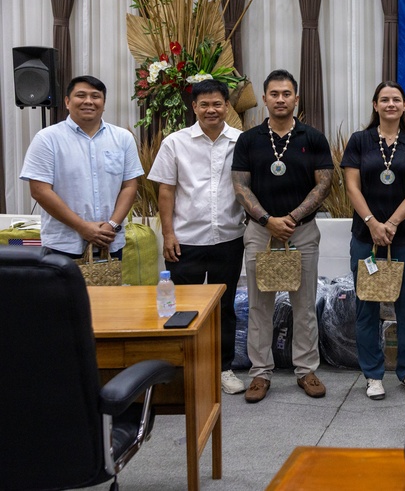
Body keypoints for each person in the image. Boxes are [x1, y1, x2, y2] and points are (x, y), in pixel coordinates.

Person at [232, 69, 333, 403]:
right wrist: (266, 219)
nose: (280, 99)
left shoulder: (312, 137)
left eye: (286, 93)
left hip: (301, 233)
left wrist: (291, 218)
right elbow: (240, 186)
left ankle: (306, 370)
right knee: (259, 307)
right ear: (264, 99)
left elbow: (323, 184)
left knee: (304, 305)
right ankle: (260, 374)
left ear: (296, 98)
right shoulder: (249, 140)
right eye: (274, 94)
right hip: (260, 233)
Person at [147, 79, 246, 395]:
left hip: (229, 238)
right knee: (181, 308)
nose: (211, 110)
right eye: (204, 104)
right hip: (185, 240)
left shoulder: (241, 142)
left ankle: (223, 368)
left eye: (217, 103)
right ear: (194, 108)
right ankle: (183, 370)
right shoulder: (175, 143)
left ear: (227, 106)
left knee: (224, 307)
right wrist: (168, 233)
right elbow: (166, 189)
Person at [343, 81, 405, 400]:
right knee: (367, 307)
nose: (390, 104)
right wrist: (372, 223)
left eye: (396, 99)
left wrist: (391, 222)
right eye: (384, 99)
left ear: (404, 105)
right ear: (374, 104)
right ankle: (373, 374)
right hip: (366, 239)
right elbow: (352, 187)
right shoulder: (359, 141)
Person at [20, 75, 142, 259]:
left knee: (109, 289)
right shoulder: (47, 139)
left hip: (109, 241)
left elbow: (130, 186)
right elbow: (40, 191)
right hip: (63, 244)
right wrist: (82, 227)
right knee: (63, 290)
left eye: (95, 96)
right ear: (67, 101)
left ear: (104, 102)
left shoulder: (123, 138)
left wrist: (112, 225)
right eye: (81, 95)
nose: (88, 101)